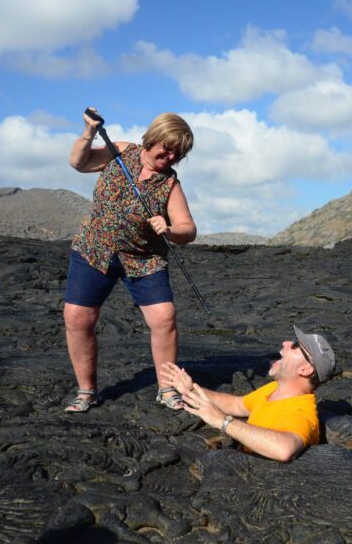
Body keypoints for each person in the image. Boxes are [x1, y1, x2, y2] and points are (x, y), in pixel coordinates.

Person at [63, 107, 197, 413]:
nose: (171, 157)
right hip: (94, 250)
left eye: (178, 154)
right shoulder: (120, 152)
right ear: (153, 140)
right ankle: (86, 391)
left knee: (164, 317)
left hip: (144, 259)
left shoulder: (170, 185)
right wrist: (89, 132)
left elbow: (188, 229)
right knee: (77, 318)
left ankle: (167, 389)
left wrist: (171, 230)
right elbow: (79, 162)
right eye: (167, 149)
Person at [158, 325, 336, 462]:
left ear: (305, 369)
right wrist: (191, 389)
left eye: (296, 345)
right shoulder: (274, 389)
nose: (286, 343)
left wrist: (222, 421)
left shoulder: (301, 412)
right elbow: (236, 404)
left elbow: (284, 449)